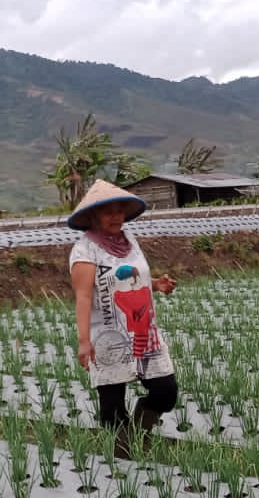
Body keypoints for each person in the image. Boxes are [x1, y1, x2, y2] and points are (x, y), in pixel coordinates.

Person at [67, 179, 178, 459]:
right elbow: (83, 297)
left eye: (119, 211)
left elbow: (131, 278)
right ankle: (124, 458)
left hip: (143, 329)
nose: (116, 216)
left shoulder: (129, 241)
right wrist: (83, 341)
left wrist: (156, 284)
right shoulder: (85, 250)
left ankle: (140, 432)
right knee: (112, 405)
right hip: (108, 336)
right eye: (108, 212)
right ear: (94, 215)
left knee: (166, 392)